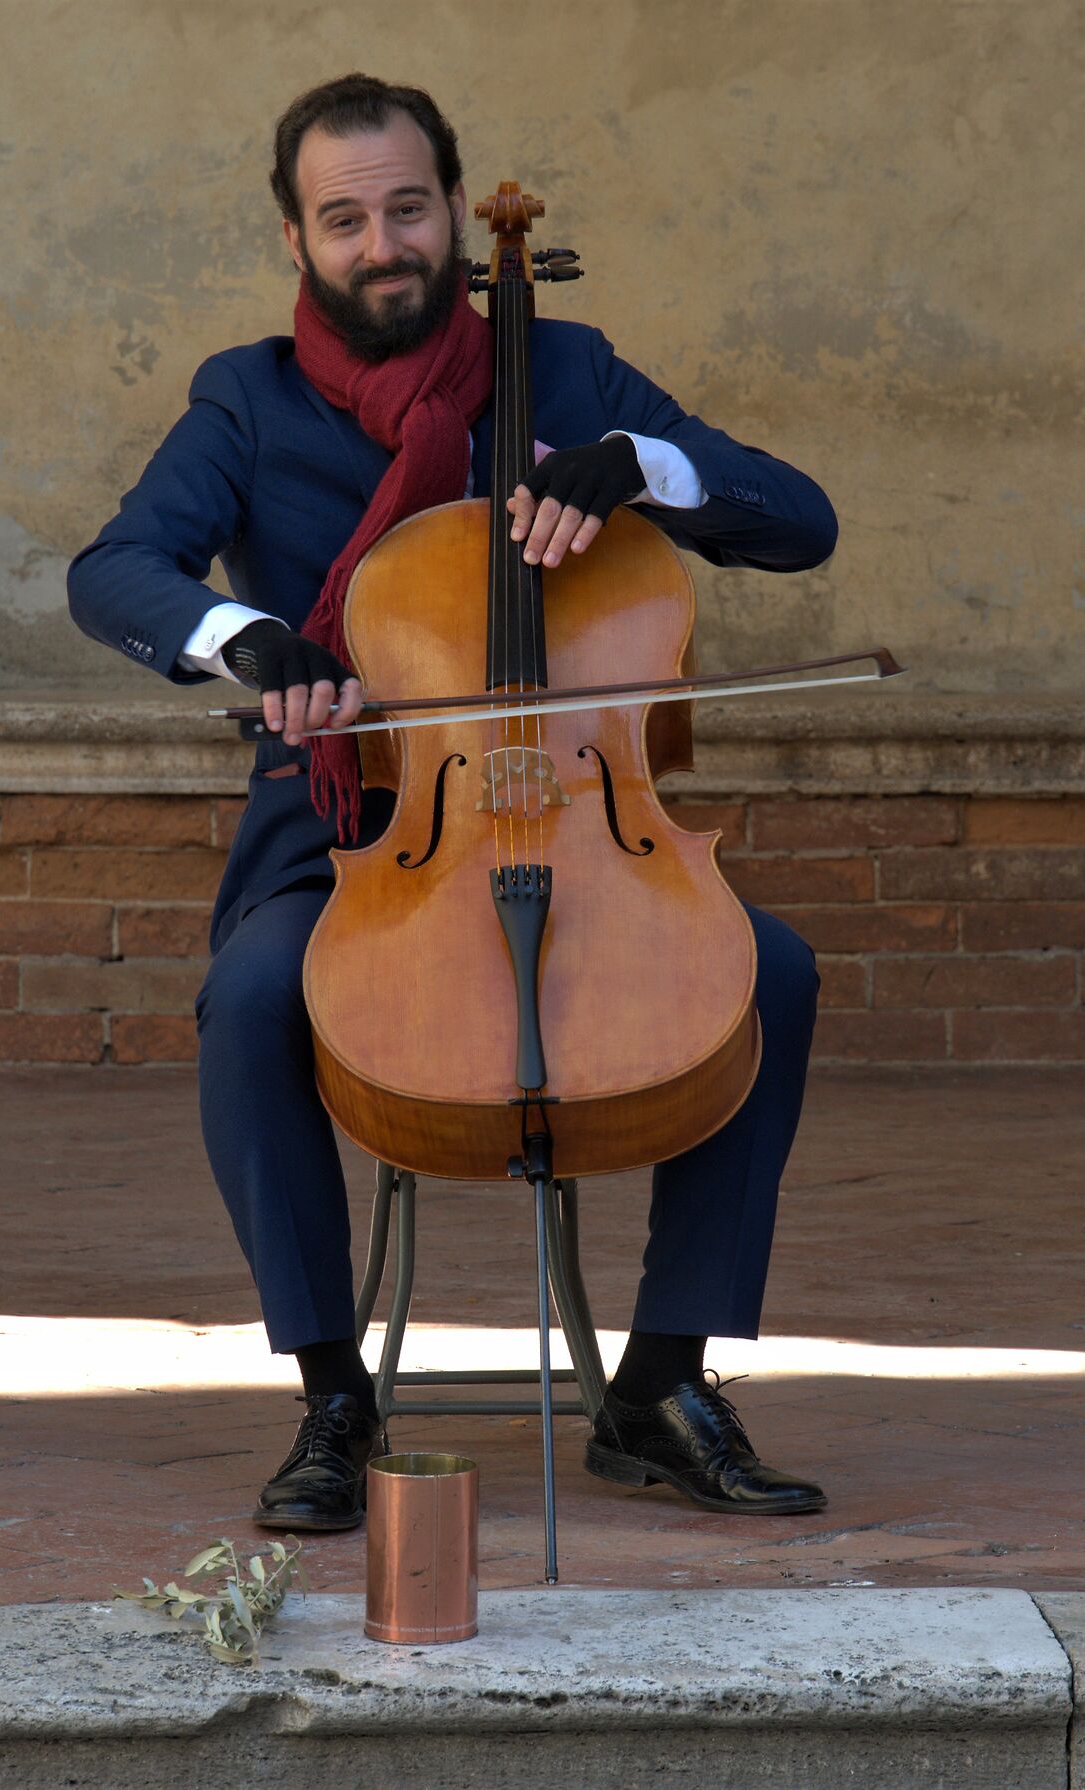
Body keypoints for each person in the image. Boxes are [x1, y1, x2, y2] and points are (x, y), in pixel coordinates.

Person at [68, 74, 836, 1533]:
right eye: (344, 217)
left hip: (585, 813)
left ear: (454, 216)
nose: (384, 243)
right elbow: (114, 570)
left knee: (772, 974)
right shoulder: (248, 399)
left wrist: (647, 469)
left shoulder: (568, 374)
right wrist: (255, 640)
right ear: (297, 239)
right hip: (360, 824)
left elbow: (800, 521)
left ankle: (663, 1384)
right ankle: (330, 1393)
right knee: (250, 1000)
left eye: (408, 208)